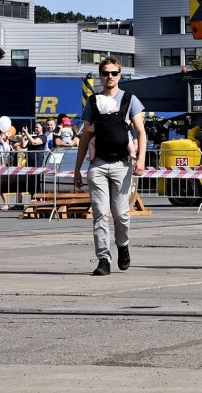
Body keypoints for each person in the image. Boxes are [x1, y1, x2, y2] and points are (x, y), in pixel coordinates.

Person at [72, 56, 146, 276]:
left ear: (120, 75)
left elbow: (141, 132)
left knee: (121, 214)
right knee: (100, 213)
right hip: (98, 164)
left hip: (123, 165)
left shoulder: (130, 99)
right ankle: (103, 259)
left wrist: (141, 159)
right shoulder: (93, 101)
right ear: (100, 76)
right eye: (105, 73)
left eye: (114, 73)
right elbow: (85, 136)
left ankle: (123, 245)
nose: (110, 77)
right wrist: (77, 169)